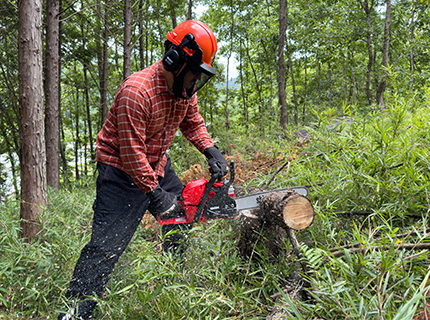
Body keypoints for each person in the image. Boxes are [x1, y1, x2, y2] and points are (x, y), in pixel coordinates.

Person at [57, 20, 228, 320]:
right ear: (176, 61)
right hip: (120, 171)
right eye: (192, 75)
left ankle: (172, 274)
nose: (193, 83)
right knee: (106, 247)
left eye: (198, 78)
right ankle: (76, 312)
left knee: (181, 214)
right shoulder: (137, 93)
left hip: (157, 162)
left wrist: (210, 149)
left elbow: (193, 123)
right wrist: (154, 195)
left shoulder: (184, 89)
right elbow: (132, 154)